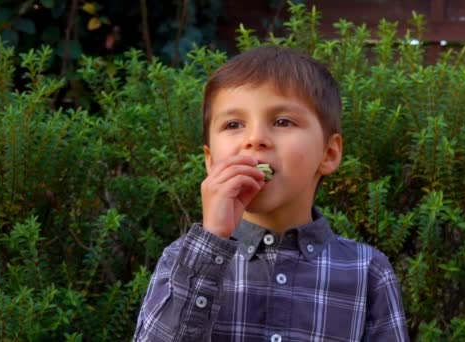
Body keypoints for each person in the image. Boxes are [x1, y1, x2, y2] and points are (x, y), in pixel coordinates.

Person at [134, 45, 409, 341]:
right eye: (233, 124)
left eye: (282, 122)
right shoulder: (181, 262)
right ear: (211, 162)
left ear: (328, 153)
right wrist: (212, 240)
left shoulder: (367, 272)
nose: (255, 139)